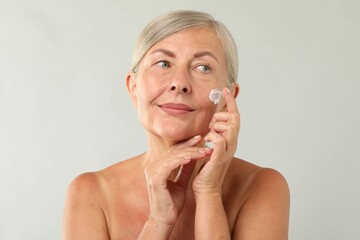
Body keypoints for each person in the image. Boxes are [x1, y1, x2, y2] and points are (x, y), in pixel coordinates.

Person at [62, 10, 290, 240]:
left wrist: (209, 192)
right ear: (133, 89)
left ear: (227, 97)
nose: (179, 83)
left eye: (203, 67)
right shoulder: (90, 193)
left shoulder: (261, 187)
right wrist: (159, 221)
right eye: (163, 63)